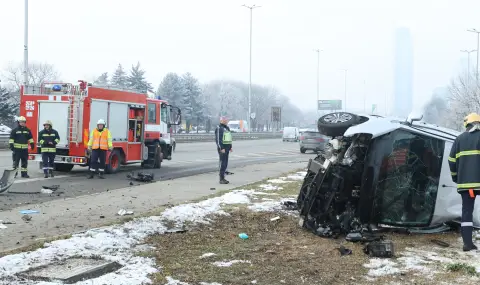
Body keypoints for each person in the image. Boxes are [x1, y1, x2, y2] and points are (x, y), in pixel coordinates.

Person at [448, 112, 480, 251]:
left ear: (467, 124)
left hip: (466, 185)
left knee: (467, 212)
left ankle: (467, 244)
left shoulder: (459, 139)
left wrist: (456, 177)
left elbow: (451, 161)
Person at [215, 116, 233, 184]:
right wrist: (221, 148)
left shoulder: (227, 128)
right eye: (225, 120)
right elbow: (218, 139)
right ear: (221, 121)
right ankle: (221, 178)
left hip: (227, 148)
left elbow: (229, 138)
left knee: (225, 163)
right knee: (222, 163)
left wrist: (230, 147)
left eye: (226, 120)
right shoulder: (219, 128)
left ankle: (224, 177)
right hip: (222, 149)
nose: (226, 121)